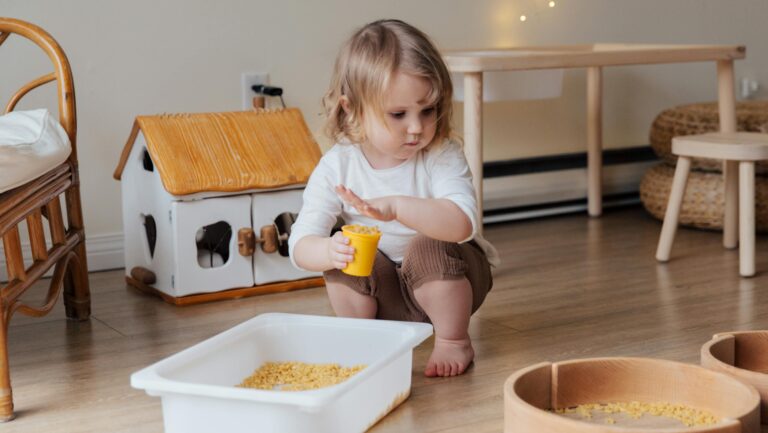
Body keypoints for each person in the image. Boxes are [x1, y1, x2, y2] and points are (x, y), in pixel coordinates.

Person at [288, 19, 499, 377]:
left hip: (450, 283)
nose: (416, 127)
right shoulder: (337, 165)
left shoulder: (440, 155)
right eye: (399, 114)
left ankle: (453, 341)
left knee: (426, 246)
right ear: (353, 109)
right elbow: (299, 243)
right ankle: (366, 340)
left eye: (428, 110)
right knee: (347, 254)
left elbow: (462, 224)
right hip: (385, 296)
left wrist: (398, 206)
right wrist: (328, 251)